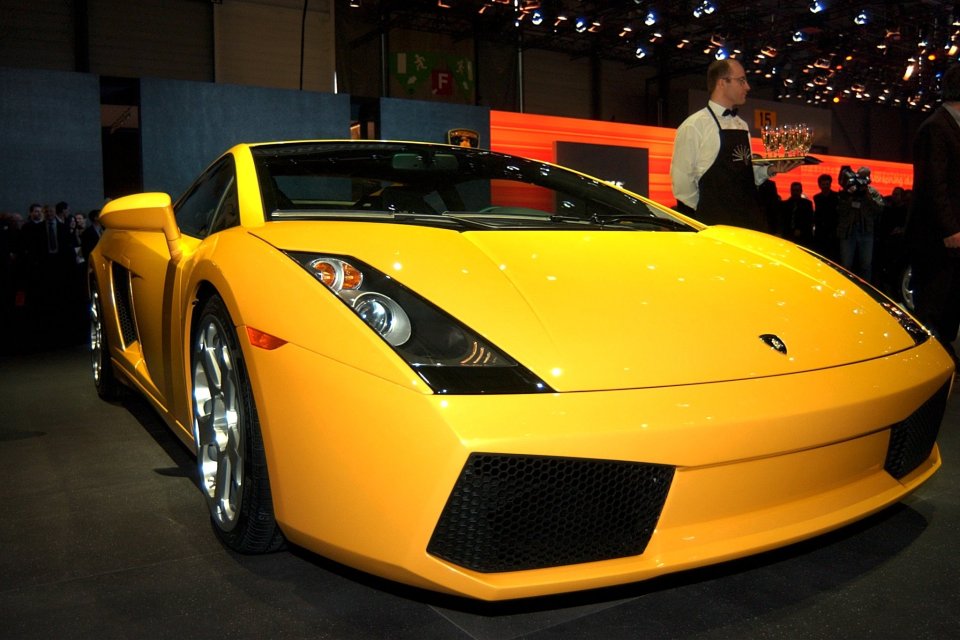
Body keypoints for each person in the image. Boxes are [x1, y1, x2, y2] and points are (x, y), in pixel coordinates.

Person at [671, 58, 799, 230]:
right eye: (742, 80)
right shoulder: (694, 126)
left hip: (748, 220)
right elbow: (681, 182)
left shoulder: (742, 125)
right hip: (715, 224)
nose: (747, 87)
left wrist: (770, 170)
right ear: (722, 83)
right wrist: (707, 211)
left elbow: (744, 173)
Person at [906, 64, 960, 361]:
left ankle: (942, 357)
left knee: (950, 305)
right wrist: (950, 229)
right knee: (934, 304)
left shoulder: (950, 127)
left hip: (950, 238)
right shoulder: (936, 129)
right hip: (937, 240)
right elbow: (933, 186)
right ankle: (930, 362)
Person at [836, 166, 884, 282]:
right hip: (848, 231)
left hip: (866, 231)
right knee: (846, 264)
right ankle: (845, 286)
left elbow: (880, 209)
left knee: (866, 265)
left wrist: (867, 196)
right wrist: (849, 196)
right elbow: (839, 210)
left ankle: (865, 289)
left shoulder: (872, 192)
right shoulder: (848, 190)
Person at [813, 173, 840, 262]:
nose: (825, 186)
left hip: (833, 230)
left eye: (827, 184)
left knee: (833, 256)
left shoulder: (836, 196)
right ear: (819, 185)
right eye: (823, 184)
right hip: (821, 231)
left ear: (830, 184)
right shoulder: (817, 197)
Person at [782, 181, 815, 247]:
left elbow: (809, 220)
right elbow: (783, 221)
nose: (795, 192)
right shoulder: (785, 204)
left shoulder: (807, 204)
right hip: (788, 236)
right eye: (793, 190)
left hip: (804, 236)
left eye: (797, 190)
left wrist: (800, 230)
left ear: (801, 191)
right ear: (790, 191)